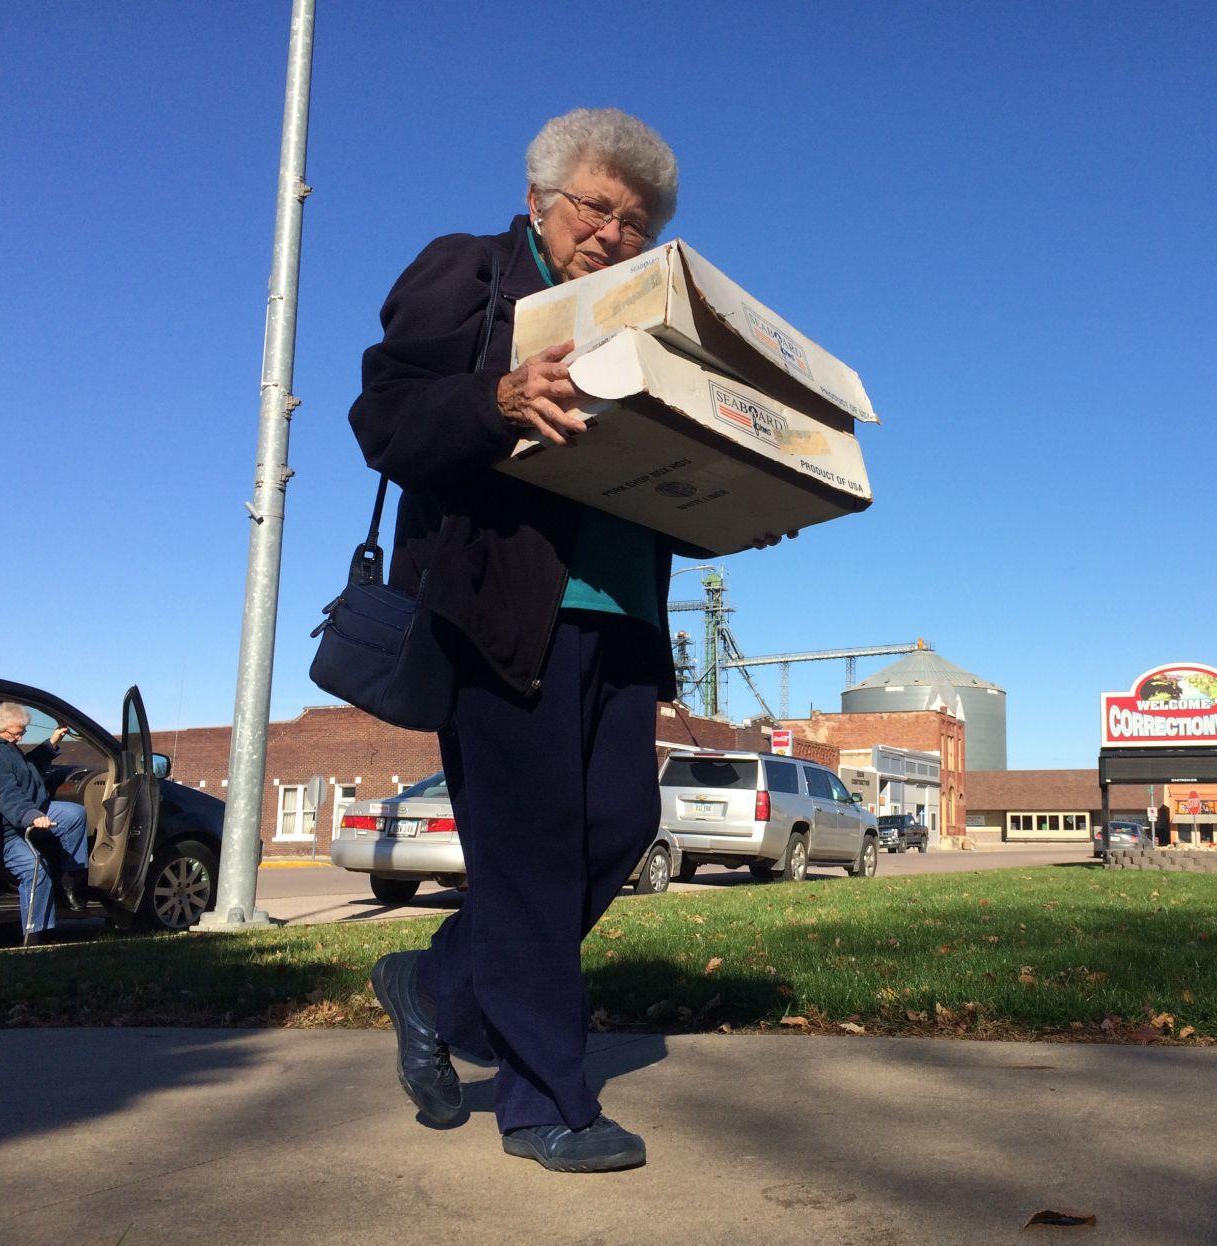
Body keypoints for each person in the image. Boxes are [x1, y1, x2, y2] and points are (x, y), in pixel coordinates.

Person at [351, 108, 787, 1174]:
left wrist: (744, 495)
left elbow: (668, 458)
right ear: (541, 198)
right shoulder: (472, 274)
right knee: (533, 850)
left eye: (637, 223)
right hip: (504, 614)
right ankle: (545, 1102)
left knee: (619, 824)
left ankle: (436, 984)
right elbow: (386, 418)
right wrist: (497, 397)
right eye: (597, 207)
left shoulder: (650, 320)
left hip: (624, 616)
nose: (614, 234)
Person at [0, 703, 88, 943]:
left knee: (75, 815)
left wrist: (52, 742)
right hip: (9, 831)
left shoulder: (10, 748)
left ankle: (69, 881)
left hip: (35, 808)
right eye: (17, 732)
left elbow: (28, 767)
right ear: (0, 729)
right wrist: (32, 816)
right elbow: (8, 796)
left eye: (23, 731)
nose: (21, 737)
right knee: (36, 868)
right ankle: (34, 935)